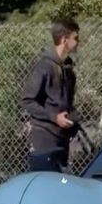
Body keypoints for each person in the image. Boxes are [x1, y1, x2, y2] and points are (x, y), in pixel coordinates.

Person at [22, 17, 80, 172]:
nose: (78, 42)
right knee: (45, 184)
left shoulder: (67, 69)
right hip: (45, 137)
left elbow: (65, 103)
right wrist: (54, 117)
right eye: (76, 38)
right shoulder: (44, 67)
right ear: (64, 39)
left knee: (60, 184)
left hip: (62, 137)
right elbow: (28, 101)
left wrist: (73, 122)